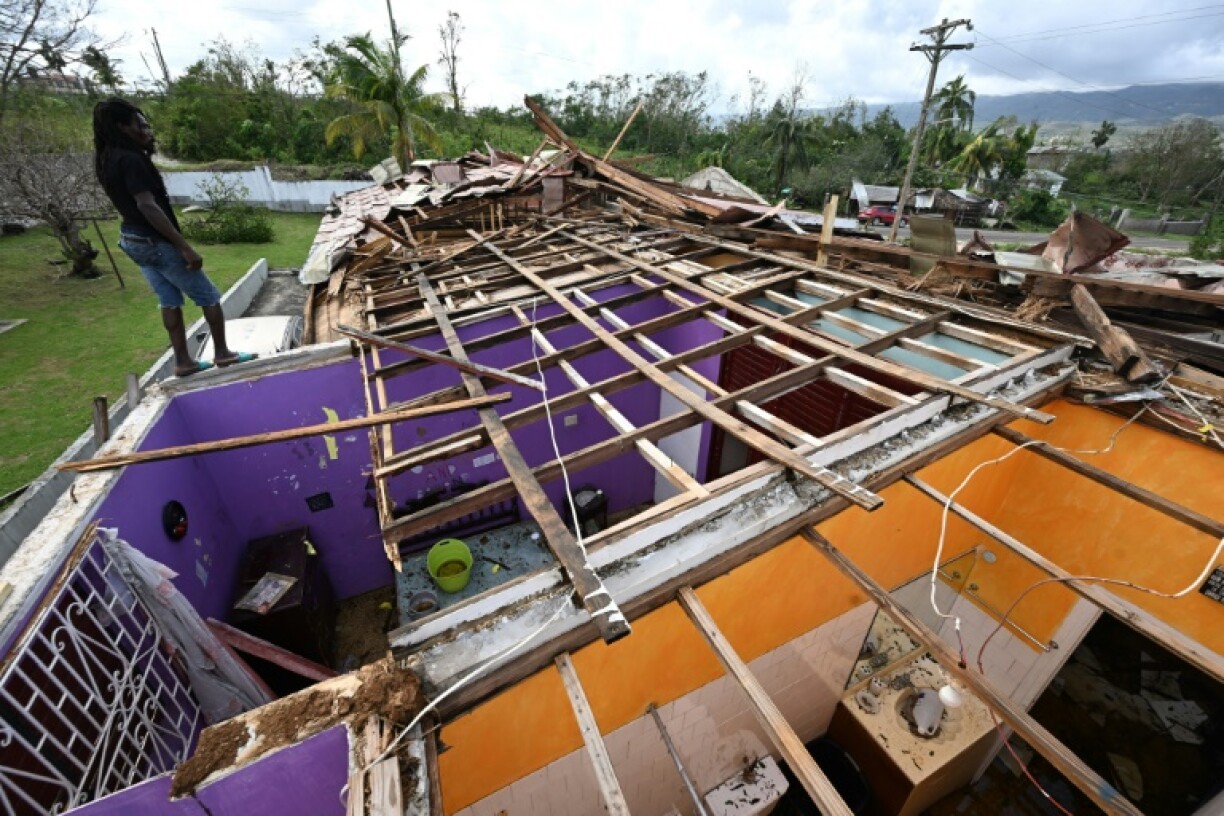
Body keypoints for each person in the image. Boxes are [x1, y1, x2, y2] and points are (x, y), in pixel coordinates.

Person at [93, 97, 255, 377]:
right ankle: (223, 354)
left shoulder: (107, 159)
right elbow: (146, 204)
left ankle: (183, 361)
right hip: (154, 241)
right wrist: (184, 247)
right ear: (122, 127)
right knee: (209, 297)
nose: (147, 131)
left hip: (132, 240)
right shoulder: (132, 160)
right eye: (140, 125)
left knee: (169, 300)